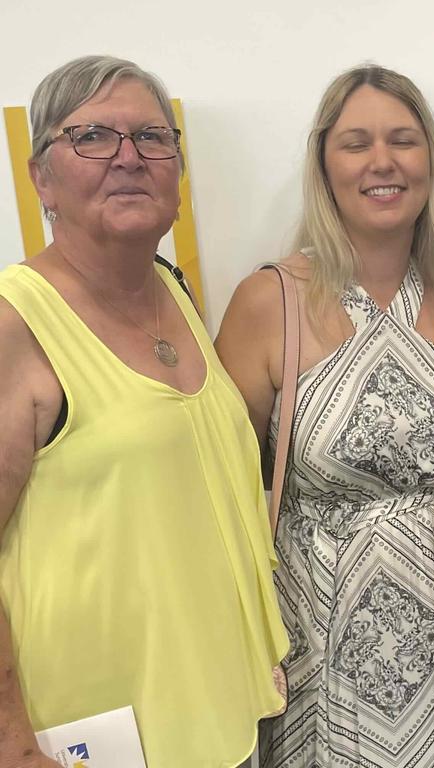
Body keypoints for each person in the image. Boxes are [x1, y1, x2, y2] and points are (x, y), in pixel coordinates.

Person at [0, 56, 288, 768]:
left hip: (213, 713)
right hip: (92, 736)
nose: (129, 158)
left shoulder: (172, 289)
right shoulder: (18, 323)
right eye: (92, 137)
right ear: (42, 177)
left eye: (153, 138)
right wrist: (11, 744)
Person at [216, 65, 434, 767]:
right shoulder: (268, 301)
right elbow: (224, 492)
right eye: (356, 143)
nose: (383, 162)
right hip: (316, 634)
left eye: (404, 140)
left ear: (430, 162)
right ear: (324, 165)